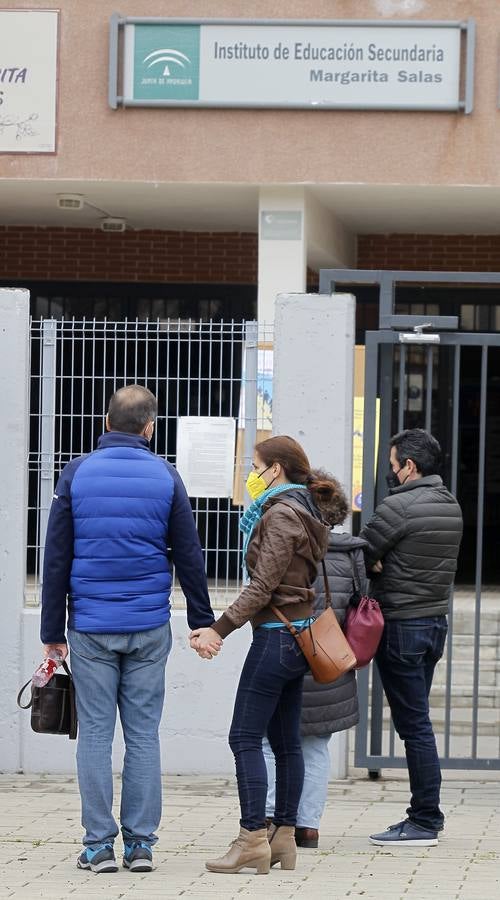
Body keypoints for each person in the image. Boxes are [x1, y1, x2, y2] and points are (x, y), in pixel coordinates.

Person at [40, 385, 219, 874]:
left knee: (95, 734)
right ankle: (140, 845)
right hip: (147, 625)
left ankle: (98, 846)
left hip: (91, 627)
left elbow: (56, 557)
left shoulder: (75, 473)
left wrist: (51, 630)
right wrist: (202, 621)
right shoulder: (166, 475)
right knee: (143, 735)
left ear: (105, 421)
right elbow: (189, 555)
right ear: (150, 427)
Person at [190, 436, 340, 876]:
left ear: (275, 470)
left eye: (255, 467)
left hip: (276, 639)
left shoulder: (281, 515)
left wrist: (217, 630)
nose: (250, 476)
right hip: (298, 638)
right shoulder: (306, 511)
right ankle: (284, 839)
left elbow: (262, 586)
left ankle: (252, 837)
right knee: (285, 741)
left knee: (243, 737)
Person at [359, 428, 463, 847]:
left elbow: (363, 553)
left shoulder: (398, 507)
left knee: (414, 726)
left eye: (393, 465)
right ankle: (425, 815)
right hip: (435, 623)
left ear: (410, 467)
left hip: (401, 625)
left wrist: (380, 563)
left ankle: (424, 820)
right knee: (418, 722)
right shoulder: (450, 504)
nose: (391, 471)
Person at [263, 475, 367, 849]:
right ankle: (307, 826)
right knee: (316, 745)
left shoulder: (291, 545)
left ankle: (274, 817)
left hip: (286, 651)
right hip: (330, 660)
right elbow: (360, 600)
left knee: (267, 739)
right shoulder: (354, 553)